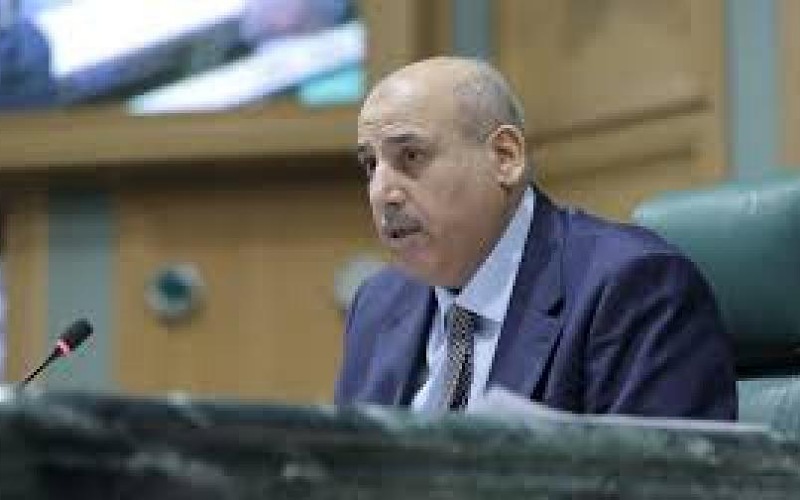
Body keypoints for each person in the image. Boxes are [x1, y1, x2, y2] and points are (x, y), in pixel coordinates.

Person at [335, 56, 736, 420]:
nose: (382, 193)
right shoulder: (378, 305)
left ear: (505, 157)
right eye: (370, 165)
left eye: (410, 156)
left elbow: (656, 472)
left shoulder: (633, 289)